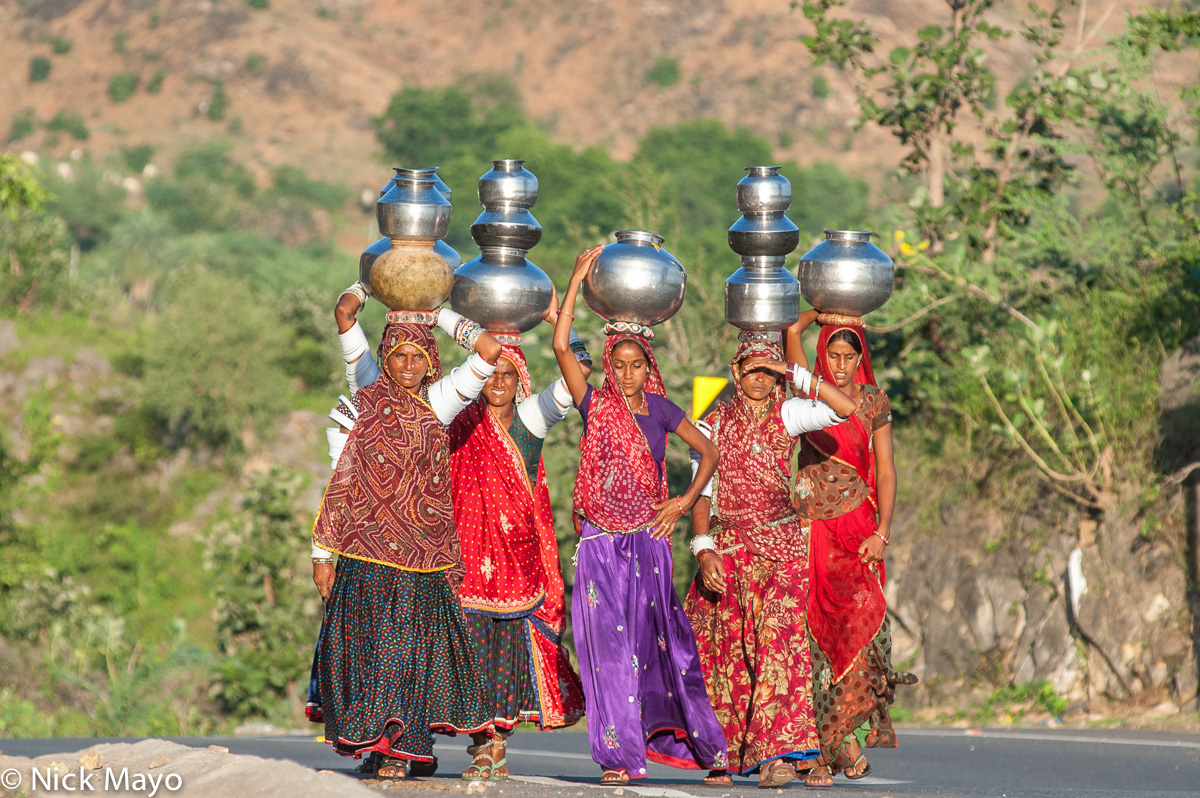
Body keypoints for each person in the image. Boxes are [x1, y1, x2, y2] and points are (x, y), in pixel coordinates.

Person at [552, 246, 729, 786]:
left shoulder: (662, 409)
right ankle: (619, 757)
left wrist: (682, 500)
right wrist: (580, 277)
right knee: (605, 652)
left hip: (648, 544)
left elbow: (711, 451)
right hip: (600, 543)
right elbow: (561, 344)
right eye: (620, 365)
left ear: (647, 366)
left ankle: (707, 751)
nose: (627, 374)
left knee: (664, 646)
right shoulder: (595, 404)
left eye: (636, 366)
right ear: (610, 365)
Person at [309, 298, 503, 780]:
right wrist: (321, 553)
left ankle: (402, 747)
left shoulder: (440, 400)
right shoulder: (362, 402)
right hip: (363, 554)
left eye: (419, 356)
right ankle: (386, 743)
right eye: (399, 356)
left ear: (432, 359)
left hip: (423, 556)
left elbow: (488, 349)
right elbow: (341, 479)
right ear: (386, 357)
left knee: (412, 652)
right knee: (370, 651)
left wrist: (435, 314)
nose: (410, 366)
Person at [683, 328, 856, 788]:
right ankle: (721, 751)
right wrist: (704, 549)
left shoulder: (789, 411)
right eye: (750, 368)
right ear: (734, 372)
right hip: (731, 550)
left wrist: (794, 372)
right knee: (728, 654)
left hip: (783, 551)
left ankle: (777, 756)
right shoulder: (711, 421)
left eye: (766, 369)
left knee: (779, 647)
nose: (759, 377)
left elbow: (846, 408)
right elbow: (701, 491)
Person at [784, 310, 917, 787]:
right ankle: (825, 752)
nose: (839, 365)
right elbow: (791, 332)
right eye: (833, 356)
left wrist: (882, 532)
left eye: (848, 356)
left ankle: (845, 734)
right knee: (811, 635)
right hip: (811, 530)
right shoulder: (810, 395)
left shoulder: (874, 402)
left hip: (859, 529)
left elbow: (885, 469)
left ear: (860, 358)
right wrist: (820, 312)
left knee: (860, 622)